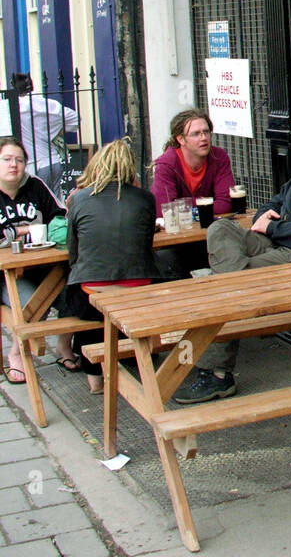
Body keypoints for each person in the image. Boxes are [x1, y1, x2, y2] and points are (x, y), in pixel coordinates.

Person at [173, 115, 291, 405]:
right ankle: (229, 283)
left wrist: (273, 227)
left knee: (218, 285)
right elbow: (274, 201)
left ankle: (218, 374)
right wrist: (265, 217)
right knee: (219, 227)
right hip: (273, 241)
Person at [64, 139, 159, 394]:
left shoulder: (80, 199)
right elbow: (146, 245)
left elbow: (73, 254)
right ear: (130, 169)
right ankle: (141, 363)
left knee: (86, 309)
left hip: (91, 297)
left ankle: (95, 380)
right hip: (139, 292)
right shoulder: (146, 199)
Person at [0, 135, 75, 383]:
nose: (14, 165)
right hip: (6, 275)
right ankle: (17, 353)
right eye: (7, 159)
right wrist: (21, 230)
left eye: (19, 160)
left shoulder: (35, 186)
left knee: (76, 294)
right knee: (33, 304)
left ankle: (64, 346)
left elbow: (58, 218)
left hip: (44, 266)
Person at [151, 109, 235, 278]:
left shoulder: (219, 157)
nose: (203, 138)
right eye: (196, 134)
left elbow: (226, 203)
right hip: (177, 242)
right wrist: (204, 205)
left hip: (212, 235)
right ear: (180, 139)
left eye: (206, 132)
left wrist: (184, 207)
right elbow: (165, 211)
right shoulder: (167, 164)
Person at [11, 73, 80, 194]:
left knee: (37, 205)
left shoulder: (15, 106)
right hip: (52, 161)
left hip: (32, 165)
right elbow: (75, 118)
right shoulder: (45, 104)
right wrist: (54, 133)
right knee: (56, 203)